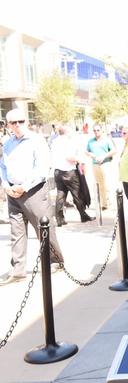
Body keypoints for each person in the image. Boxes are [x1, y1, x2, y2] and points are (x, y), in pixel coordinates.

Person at [0, 109, 64, 285]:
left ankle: (55, 261)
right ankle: (18, 270)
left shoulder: (37, 141)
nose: (17, 125)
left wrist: (24, 186)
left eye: (20, 121)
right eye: (13, 122)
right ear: (8, 125)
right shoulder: (7, 144)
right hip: (13, 193)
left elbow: (42, 168)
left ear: (26, 121)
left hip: (33, 191)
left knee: (44, 229)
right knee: (16, 233)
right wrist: (6, 185)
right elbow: (3, 167)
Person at [51, 125, 96, 225]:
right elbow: (69, 156)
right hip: (69, 171)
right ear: (67, 132)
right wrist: (80, 160)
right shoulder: (66, 141)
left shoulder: (54, 141)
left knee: (60, 195)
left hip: (58, 171)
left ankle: (59, 219)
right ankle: (83, 215)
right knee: (77, 194)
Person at [86, 125, 116, 210]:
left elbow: (114, 151)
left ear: (101, 130)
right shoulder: (90, 141)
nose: (96, 132)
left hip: (105, 163)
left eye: (98, 130)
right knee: (100, 185)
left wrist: (104, 156)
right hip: (95, 164)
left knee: (108, 184)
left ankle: (111, 203)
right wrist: (91, 155)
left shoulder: (107, 140)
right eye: (94, 130)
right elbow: (86, 151)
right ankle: (104, 204)